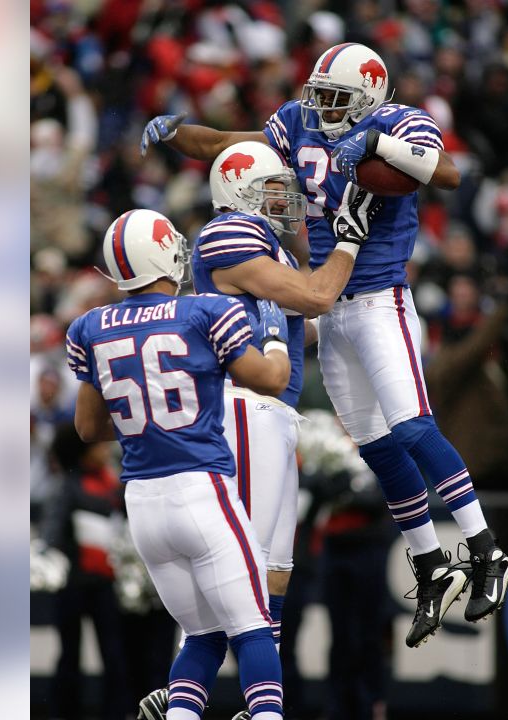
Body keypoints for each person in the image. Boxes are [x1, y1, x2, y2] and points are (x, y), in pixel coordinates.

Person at [141, 42, 508, 648]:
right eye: (320, 96)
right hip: (331, 307)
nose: (323, 109)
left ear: (368, 96)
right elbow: (234, 146)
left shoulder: (397, 121)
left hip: (382, 300)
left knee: (414, 429)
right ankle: (429, 561)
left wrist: (378, 146)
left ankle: (484, 549)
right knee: (376, 446)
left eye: (337, 99)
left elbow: (447, 172)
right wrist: (180, 132)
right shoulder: (300, 122)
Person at [137, 141, 377, 720]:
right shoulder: (230, 236)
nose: (285, 199)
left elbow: (306, 316)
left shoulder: (265, 245)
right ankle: (210, 702)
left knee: (272, 576)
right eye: (273, 187)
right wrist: (348, 239)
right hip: (246, 405)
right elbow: (318, 297)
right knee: (241, 572)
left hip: (274, 413)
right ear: (239, 191)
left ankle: (208, 699)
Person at [68, 208, 293, 720]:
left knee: (202, 636)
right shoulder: (203, 311)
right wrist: (277, 341)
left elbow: (88, 428)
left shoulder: (90, 326)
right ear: (164, 253)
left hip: (143, 504)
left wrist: (144, 419)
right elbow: (271, 380)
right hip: (201, 489)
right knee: (254, 627)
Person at [43, 423, 128, 720]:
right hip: (72, 587)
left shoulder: (113, 483)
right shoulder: (67, 486)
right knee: (70, 657)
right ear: (82, 452)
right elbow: (52, 535)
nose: (106, 450)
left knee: (114, 656)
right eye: (99, 445)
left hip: (106, 585)